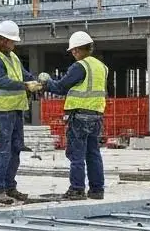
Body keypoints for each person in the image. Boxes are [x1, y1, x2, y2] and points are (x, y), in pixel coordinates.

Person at [44, 30, 107, 200]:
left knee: (76, 154)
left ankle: (77, 189)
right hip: (97, 116)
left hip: (79, 117)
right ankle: (97, 190)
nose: (73, 54)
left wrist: (46, 83)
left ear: (78, 50)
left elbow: (60, 87)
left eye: (73, 51)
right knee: (93, 153)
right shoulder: (101, 67)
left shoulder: (80, 66)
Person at [0, 19, 39, 205]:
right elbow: (1, 81)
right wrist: (25, 86)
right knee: (2, 150)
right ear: (2, 40)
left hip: (15, 110)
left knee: (15, 149)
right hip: (1, 111)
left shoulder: (13, 57)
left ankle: (10, 187)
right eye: (11, 41)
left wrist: (37, 82)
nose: (14, 44)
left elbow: (25, 74)